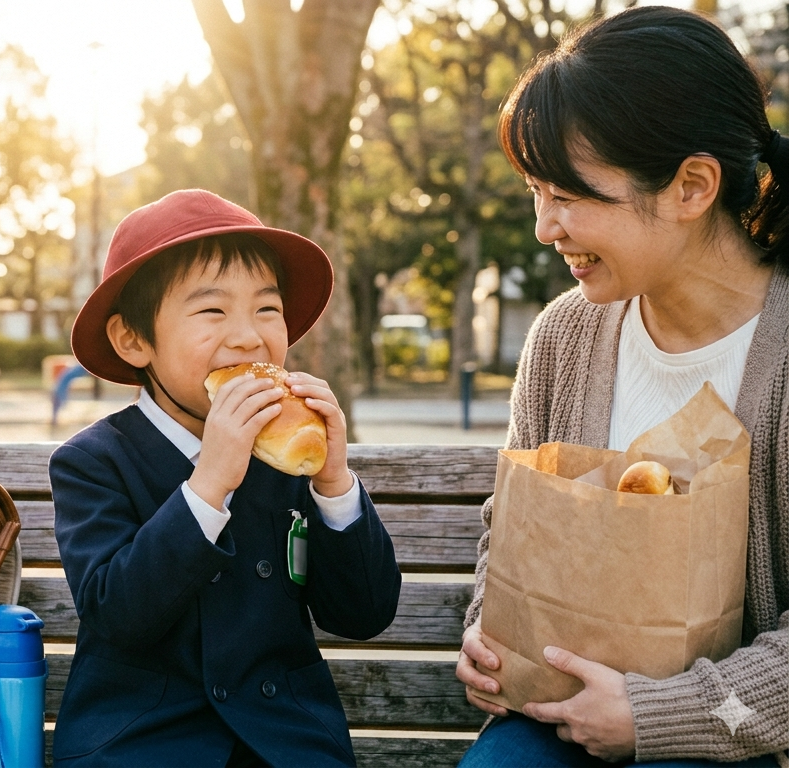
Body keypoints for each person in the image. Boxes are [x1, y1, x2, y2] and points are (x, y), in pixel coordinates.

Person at [455, 7, 789, 767]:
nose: (545, 227)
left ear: (691, 187)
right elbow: (513, 527)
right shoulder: (563, 335)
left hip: (738, 741)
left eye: (569, 196)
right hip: (553, 718)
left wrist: (658, 714)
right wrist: (490, 631)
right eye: (537, 192)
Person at [49, 189, 402, 767]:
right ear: (134, 340)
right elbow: (117, 615)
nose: (248, 336)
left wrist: (333, 484)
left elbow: (363, 615)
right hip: (143, 742)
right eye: (212, 312)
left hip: (284, 742)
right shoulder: (94, 462)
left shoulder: (288, 452)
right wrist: (208, 483)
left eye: (267, 309)